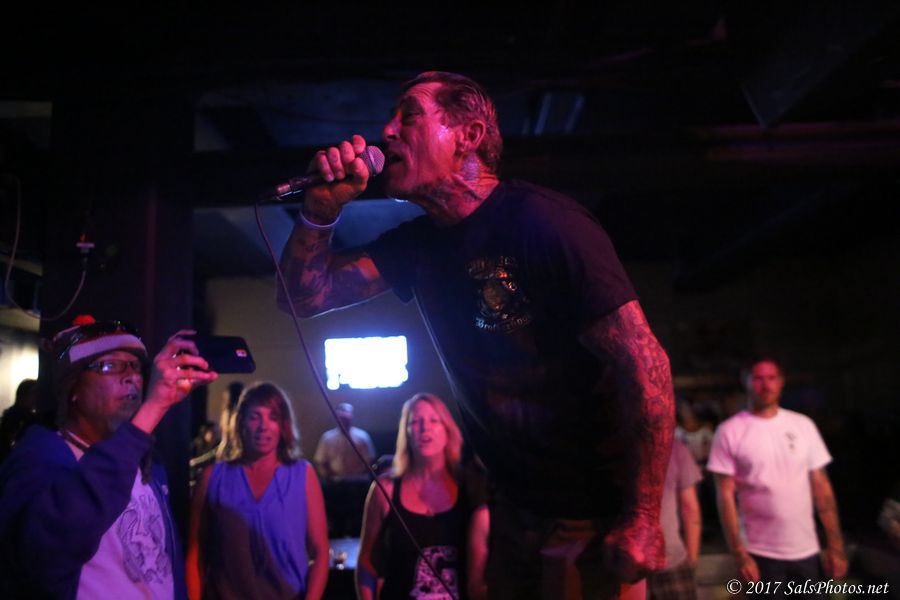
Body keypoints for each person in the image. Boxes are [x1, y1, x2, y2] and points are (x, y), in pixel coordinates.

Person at [277, 70, 674, 598]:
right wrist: (319, 212)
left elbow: (644, 362)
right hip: (512, 510)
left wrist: (643, 515)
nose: (387, 131)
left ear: (468, 135)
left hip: (590, 517)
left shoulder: (546, 224)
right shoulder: (417, 245)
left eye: (409, 116)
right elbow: (303, 298)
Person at [0, 315, 217, 599]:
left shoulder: (148, 463)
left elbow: (162, 567)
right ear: (74, 390)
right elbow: (46, 554)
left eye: (136, 366)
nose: (132, 377)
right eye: (110, 366)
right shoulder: (43, 457)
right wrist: (153, 408)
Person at [707, 358, 848, 586]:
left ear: (781, 382)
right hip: (760, 553)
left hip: (807, 550)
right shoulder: (729, 431)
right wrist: (739, 554)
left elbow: (822, 489)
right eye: (758, 378)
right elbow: (725, 496)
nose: (766, 385)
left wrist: (836, 546)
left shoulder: (803, 426)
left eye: (771, 378)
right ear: (746, 382)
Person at [186, 381, 329, 600]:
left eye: (273, 417)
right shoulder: (212, 477)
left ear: (283, 425)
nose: (263, 426)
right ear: (241, 422)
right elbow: (195, 554)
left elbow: (320, 553)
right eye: (255, 417)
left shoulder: (302, 475)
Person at [356, 392, 489, 600]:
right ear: (406, 432)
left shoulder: (469, 488)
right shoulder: (385, 489)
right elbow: (367, 560)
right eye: (416, 422)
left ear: (447, 431)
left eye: (433, 420)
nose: (425, 428)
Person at [646, 439, 702, 600]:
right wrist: (692, 560)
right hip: (669, 558)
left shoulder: (612, 445)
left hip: (622, 560)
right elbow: (690, 510)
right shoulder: (674, 447)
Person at [314, 401, 376, 480]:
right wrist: (328, 477)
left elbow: (369, 460)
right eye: (341, 418)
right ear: (337, 418)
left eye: (346, 418)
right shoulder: (327, 437)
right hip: (335, 480)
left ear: (351, 417)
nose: (344, 420)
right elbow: (321, 461)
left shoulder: (362, 436)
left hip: (358, 480)